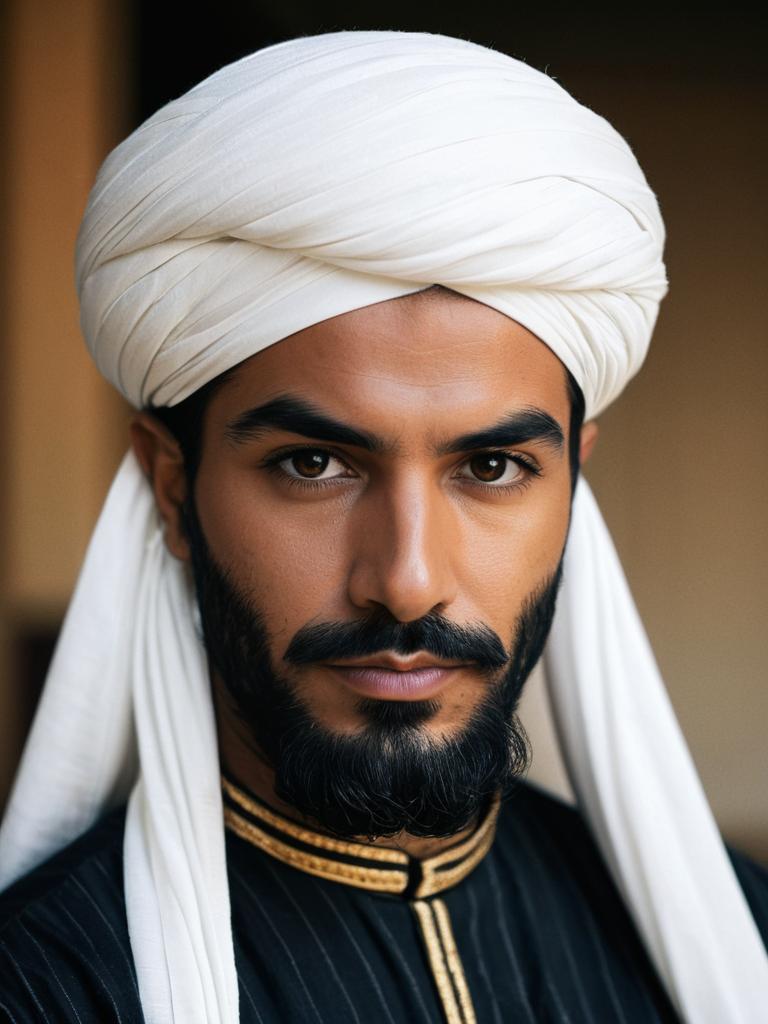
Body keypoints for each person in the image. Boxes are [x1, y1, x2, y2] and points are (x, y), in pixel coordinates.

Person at [0, 30, 766, 1024]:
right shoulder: (47, 990)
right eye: (312, 464)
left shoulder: (734, 940)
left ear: (572, 482)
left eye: (491, 468)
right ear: (171, 486)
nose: (406, 581)